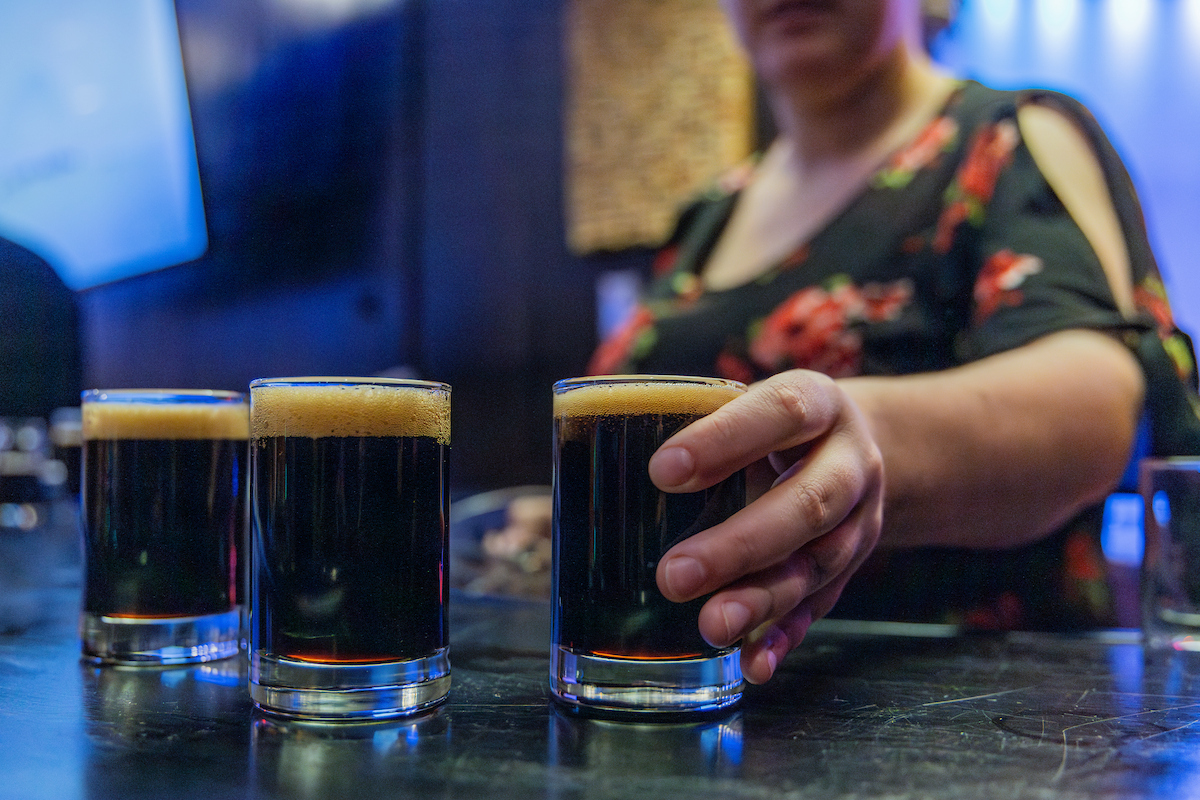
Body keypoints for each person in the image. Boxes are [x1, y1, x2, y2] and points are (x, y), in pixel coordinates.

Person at [586, 0, 1200, 686]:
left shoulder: (1008, 135)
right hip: (686, 711)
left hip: (974, 734)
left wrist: (867, 437)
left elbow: (1099, 400)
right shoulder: (707, 214)